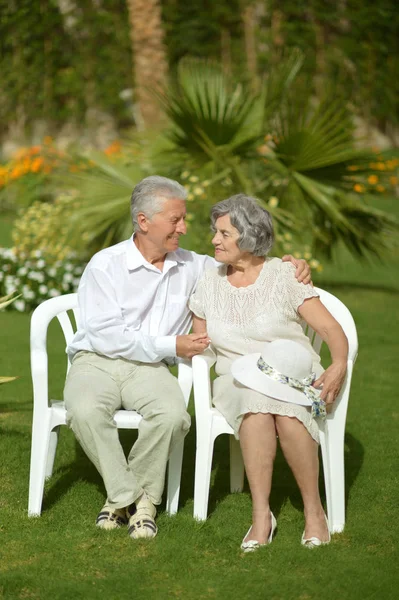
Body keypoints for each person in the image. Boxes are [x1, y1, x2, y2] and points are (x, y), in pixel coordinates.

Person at [64, 177, 311, 541]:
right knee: (84, 412)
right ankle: (134, 499)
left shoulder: (193, 266)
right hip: (96, 360)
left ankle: (125, 503)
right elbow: (106, 336)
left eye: (184, 219)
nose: (184, 228)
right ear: (144, 221)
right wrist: (171, 344)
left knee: (173, 417)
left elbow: (245, 259)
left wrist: (290, 265)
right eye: (176, 220)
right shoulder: (106, 265)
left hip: (150, 369)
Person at [189, 194, 348, 551]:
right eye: (216, 232)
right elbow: (200, 341)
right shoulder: (209, 282)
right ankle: (261, 515)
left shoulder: (283, 275)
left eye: (224, 233)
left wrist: (338, 364)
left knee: (285, 411)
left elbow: (330, 330)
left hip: (291, 371)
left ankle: (313, 511)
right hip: (235, 378)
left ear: (248, 237)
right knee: (255, 400)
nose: (215, 240)